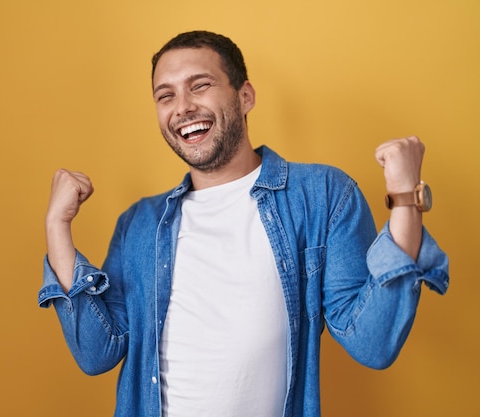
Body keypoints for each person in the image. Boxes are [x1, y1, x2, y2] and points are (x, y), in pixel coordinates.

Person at [38, 30, 449, 417]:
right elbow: (96, 354)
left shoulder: (322, 194)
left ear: (245, 95)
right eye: (166, 95)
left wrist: (405, 200)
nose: (182, 106)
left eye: (200, 85)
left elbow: (373, 343)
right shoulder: (140, 224)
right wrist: (58, 226)